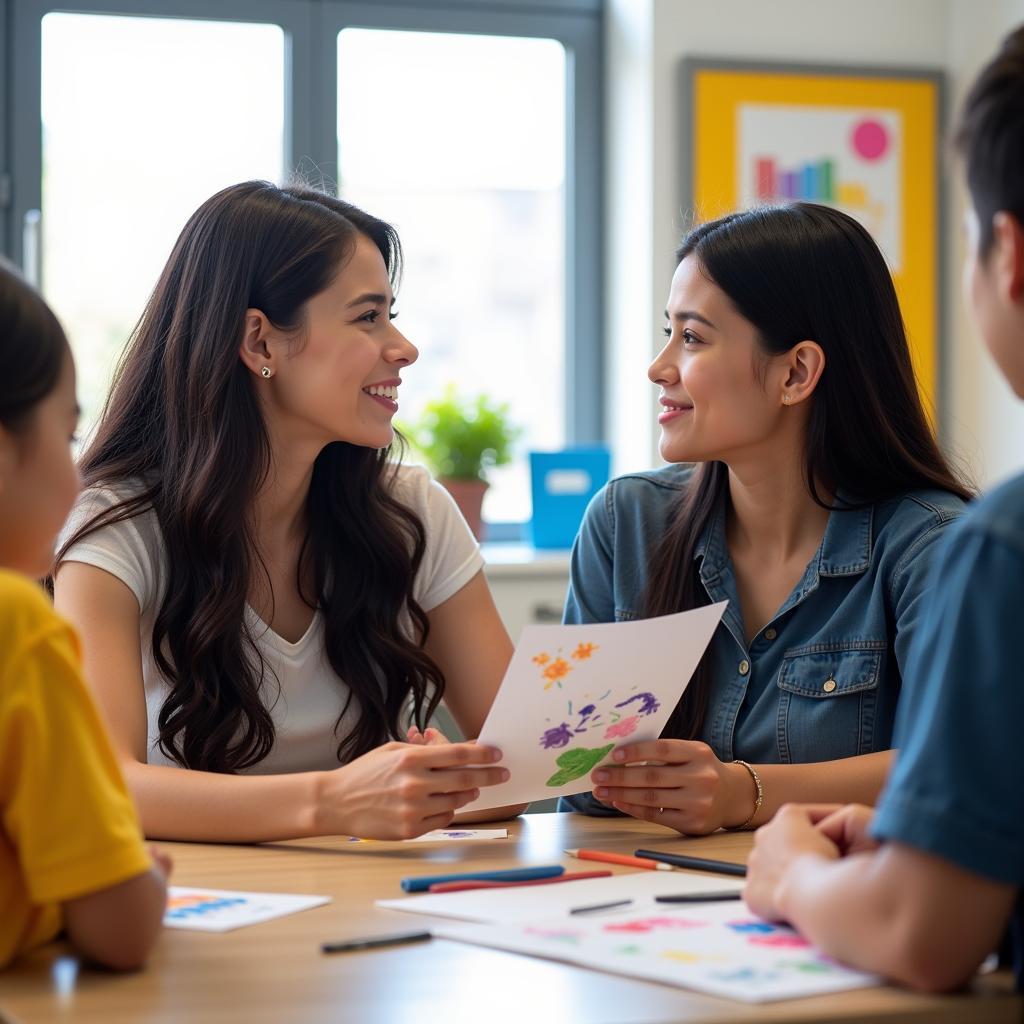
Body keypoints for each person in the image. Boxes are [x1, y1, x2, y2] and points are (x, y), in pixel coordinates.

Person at [53, 181, 520, 843]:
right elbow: (102, 782)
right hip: (199, 915)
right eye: (369, 317)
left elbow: (523, 764)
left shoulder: (413, 510)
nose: (404, 347)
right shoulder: (116, 523)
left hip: (384, 908)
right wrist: (333, 801)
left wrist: (432, 782)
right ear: (260, 342)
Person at [744, 26, 1024, 993]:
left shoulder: (992, 544)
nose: (662, 369)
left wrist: (790, 880)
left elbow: (919, 937)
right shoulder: (629, 520)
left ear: (1009, 257)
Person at [561, 202, 971, 835]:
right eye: (667, 332)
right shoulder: (624, 522)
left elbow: (964, 768)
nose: (658, 367)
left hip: (825, 913)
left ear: (796, 372)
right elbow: (572, 783)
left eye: (692, 337)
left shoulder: (932, 547)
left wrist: (744, 792)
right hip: (635, 906)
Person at [0, 260, 168, 970]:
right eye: (69, 437)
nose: (81, 474)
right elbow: (117, 931)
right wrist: (142, 883)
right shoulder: (17, 626)